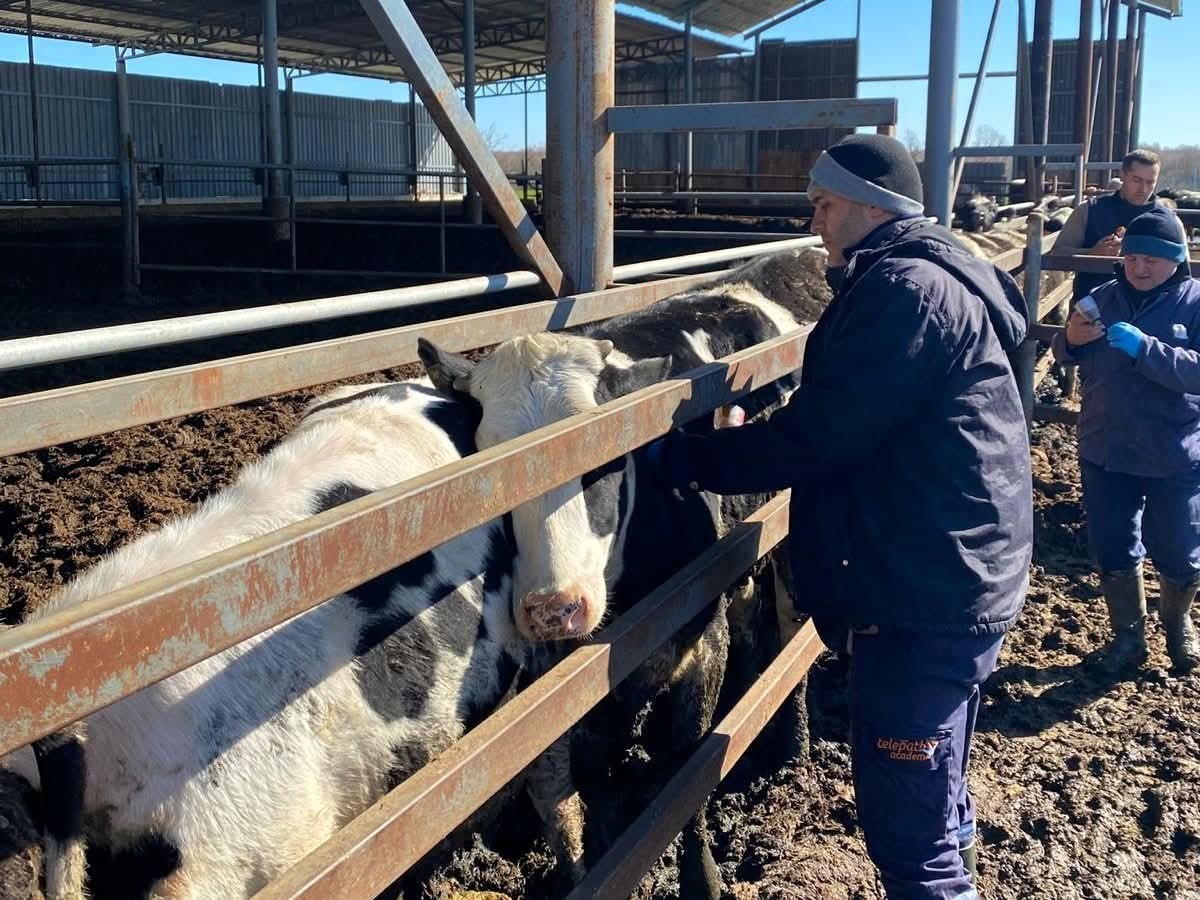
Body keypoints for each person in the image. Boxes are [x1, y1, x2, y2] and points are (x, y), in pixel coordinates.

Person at [649, 133, 1033, 899]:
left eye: (824, 204)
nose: (814, 222)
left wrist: (690, 459)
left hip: (923, 593)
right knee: (938, 784)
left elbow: (824, 434)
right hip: (955, 570)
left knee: (911, 842)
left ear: (869, 205)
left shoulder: (904, 292)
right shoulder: (935, 275)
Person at [1051, 205, 1200, 674]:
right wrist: (1070, 339)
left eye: (1151, 259)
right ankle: (1128, 638)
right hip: (1106, 447)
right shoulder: (1102, 298)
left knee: (1180, 548)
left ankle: (1178, 623)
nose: (1139, 267)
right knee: (1113, 545)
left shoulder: (1195, 303)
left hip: (1171, 452)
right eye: (1132, 257)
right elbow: (1064, 353)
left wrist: (1146, 349)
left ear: (1176, 259)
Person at [1054, 149, 1167, 302]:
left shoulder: (1167, 219)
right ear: (1122, 175)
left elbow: (1183, 269)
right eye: (1137, 180)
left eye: (1150, 182)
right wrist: (1092, 253)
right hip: (1092, 308)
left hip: (1148, 307)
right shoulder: (1089, 210)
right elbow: (1058, 254)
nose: (1143, 189)